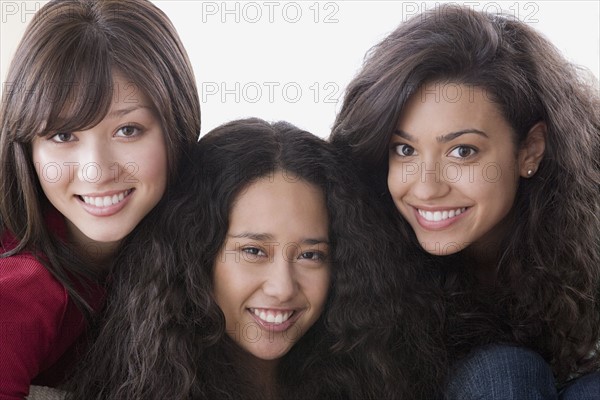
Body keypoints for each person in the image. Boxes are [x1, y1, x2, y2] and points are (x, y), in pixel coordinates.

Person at [67, 118, 446, 400]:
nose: (282, 288)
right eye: (253, 251)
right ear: (197, 256)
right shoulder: (139, 385)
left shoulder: (380, 381)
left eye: (311, 255)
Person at [330, 4, 600, 399]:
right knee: (505, 373)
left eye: (462, 152)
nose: (425, 188)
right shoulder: (363, 244)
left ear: (530, 150)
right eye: (404, 150)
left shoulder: (586, 231)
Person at [0, 0, 200, 398]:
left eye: (127, 130)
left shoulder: (196, 244)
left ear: (177, 127)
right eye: (63, 135)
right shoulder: (23, 287)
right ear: (27, 148)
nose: (95, 171)